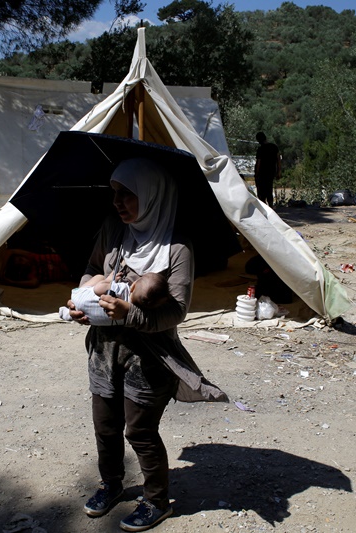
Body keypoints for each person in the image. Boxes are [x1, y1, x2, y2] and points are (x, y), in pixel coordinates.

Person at [64, 158, 228, 532]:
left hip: (150, 356)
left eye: (127, 195)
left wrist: (128, 314)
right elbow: (90, 270)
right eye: (115, 194)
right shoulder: (113, 229)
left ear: (153, 195)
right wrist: (82, 298)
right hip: (104, 349)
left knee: (139, 431)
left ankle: (156, 501)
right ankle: (111, 485)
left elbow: (176, 312)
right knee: (105, 425)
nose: (117, 203)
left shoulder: (177, 248)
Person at [59, 272, 171, 326]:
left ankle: (69, 314)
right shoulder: (129, 315)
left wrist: (109, 279)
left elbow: (98, 289)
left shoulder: (123, 289)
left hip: (80, 299)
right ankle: (68, 314)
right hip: (92, 319)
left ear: (133, 286)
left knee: (99, 277)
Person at [254, 131, 281, 207]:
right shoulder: (274, 147)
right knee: (269, 189)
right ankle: (271, 206)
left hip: (262, 174)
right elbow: (278, 160)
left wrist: (256, 174)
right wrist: (279, 171)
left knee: (261, 191)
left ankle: (264, 207)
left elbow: (258, 162)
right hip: (271, 172)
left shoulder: (261, 149)